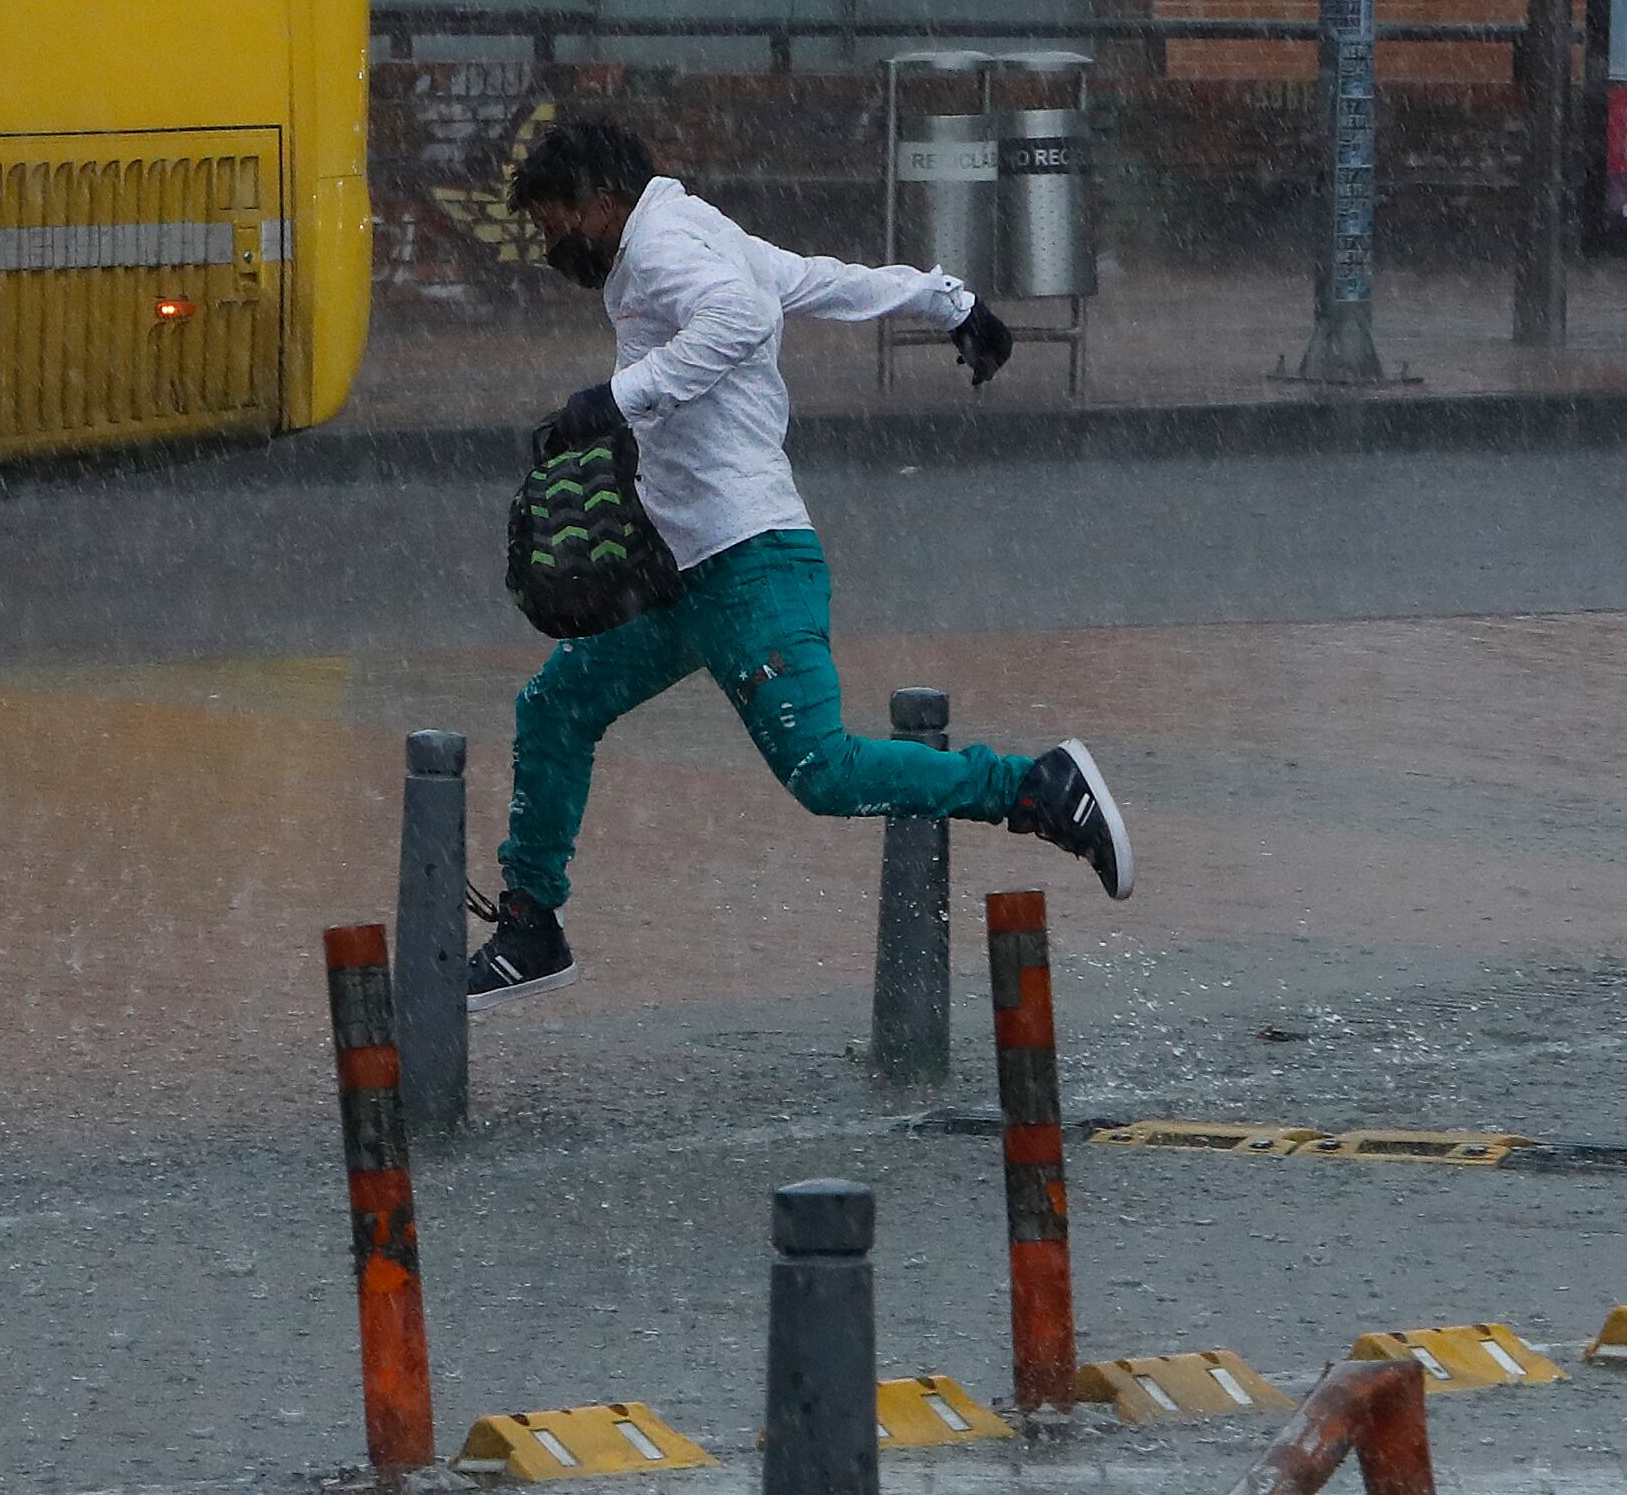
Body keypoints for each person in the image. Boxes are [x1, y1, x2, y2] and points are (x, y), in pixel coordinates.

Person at [465, 119, 1131, 1009]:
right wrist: (949, 302)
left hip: (751, 561)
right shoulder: (694, 231)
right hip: (683, 575)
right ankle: (532, 925)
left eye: (556, 227)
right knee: (557, 703)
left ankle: (1040, 788)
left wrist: (613, 399)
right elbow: (816, 281)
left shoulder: (664, 245)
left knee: (824, 770)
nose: (555, 249)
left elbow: (742, 317)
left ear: (599, 202)